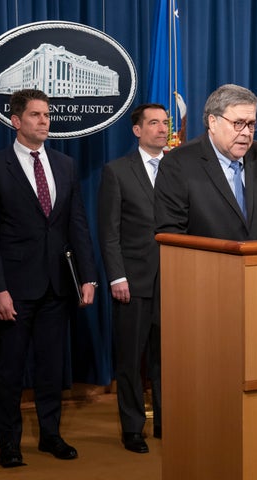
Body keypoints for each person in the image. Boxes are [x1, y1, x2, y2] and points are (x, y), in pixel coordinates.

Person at [0, 88, 98, 468]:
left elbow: (76, 224)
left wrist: (88, 276)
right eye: (36, 115)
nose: (44, 121)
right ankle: (9, 443)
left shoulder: (65, 165)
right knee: (11, 370)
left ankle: (50, 436)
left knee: (51, 367)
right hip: (14, 288)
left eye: (47, 115)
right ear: (16, 121)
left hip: (57, 286)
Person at [97, 104, 167, 454]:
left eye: (165, 122)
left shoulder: (180, 168)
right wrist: (116, 276)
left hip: (174, 280)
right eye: (154, 123)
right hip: (133, 279)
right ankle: (132, 428)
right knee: (130, 359)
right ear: (137, 130)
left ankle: (167, 424)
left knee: (167, 359)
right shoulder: (117, 171)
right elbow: (108, 232)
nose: (162, 128)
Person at [154, 83, 257, 240]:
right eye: (238, 123)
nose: (246, 133)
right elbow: (171, 237)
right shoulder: (178, 164)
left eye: (251, 124)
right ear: (213, 123)